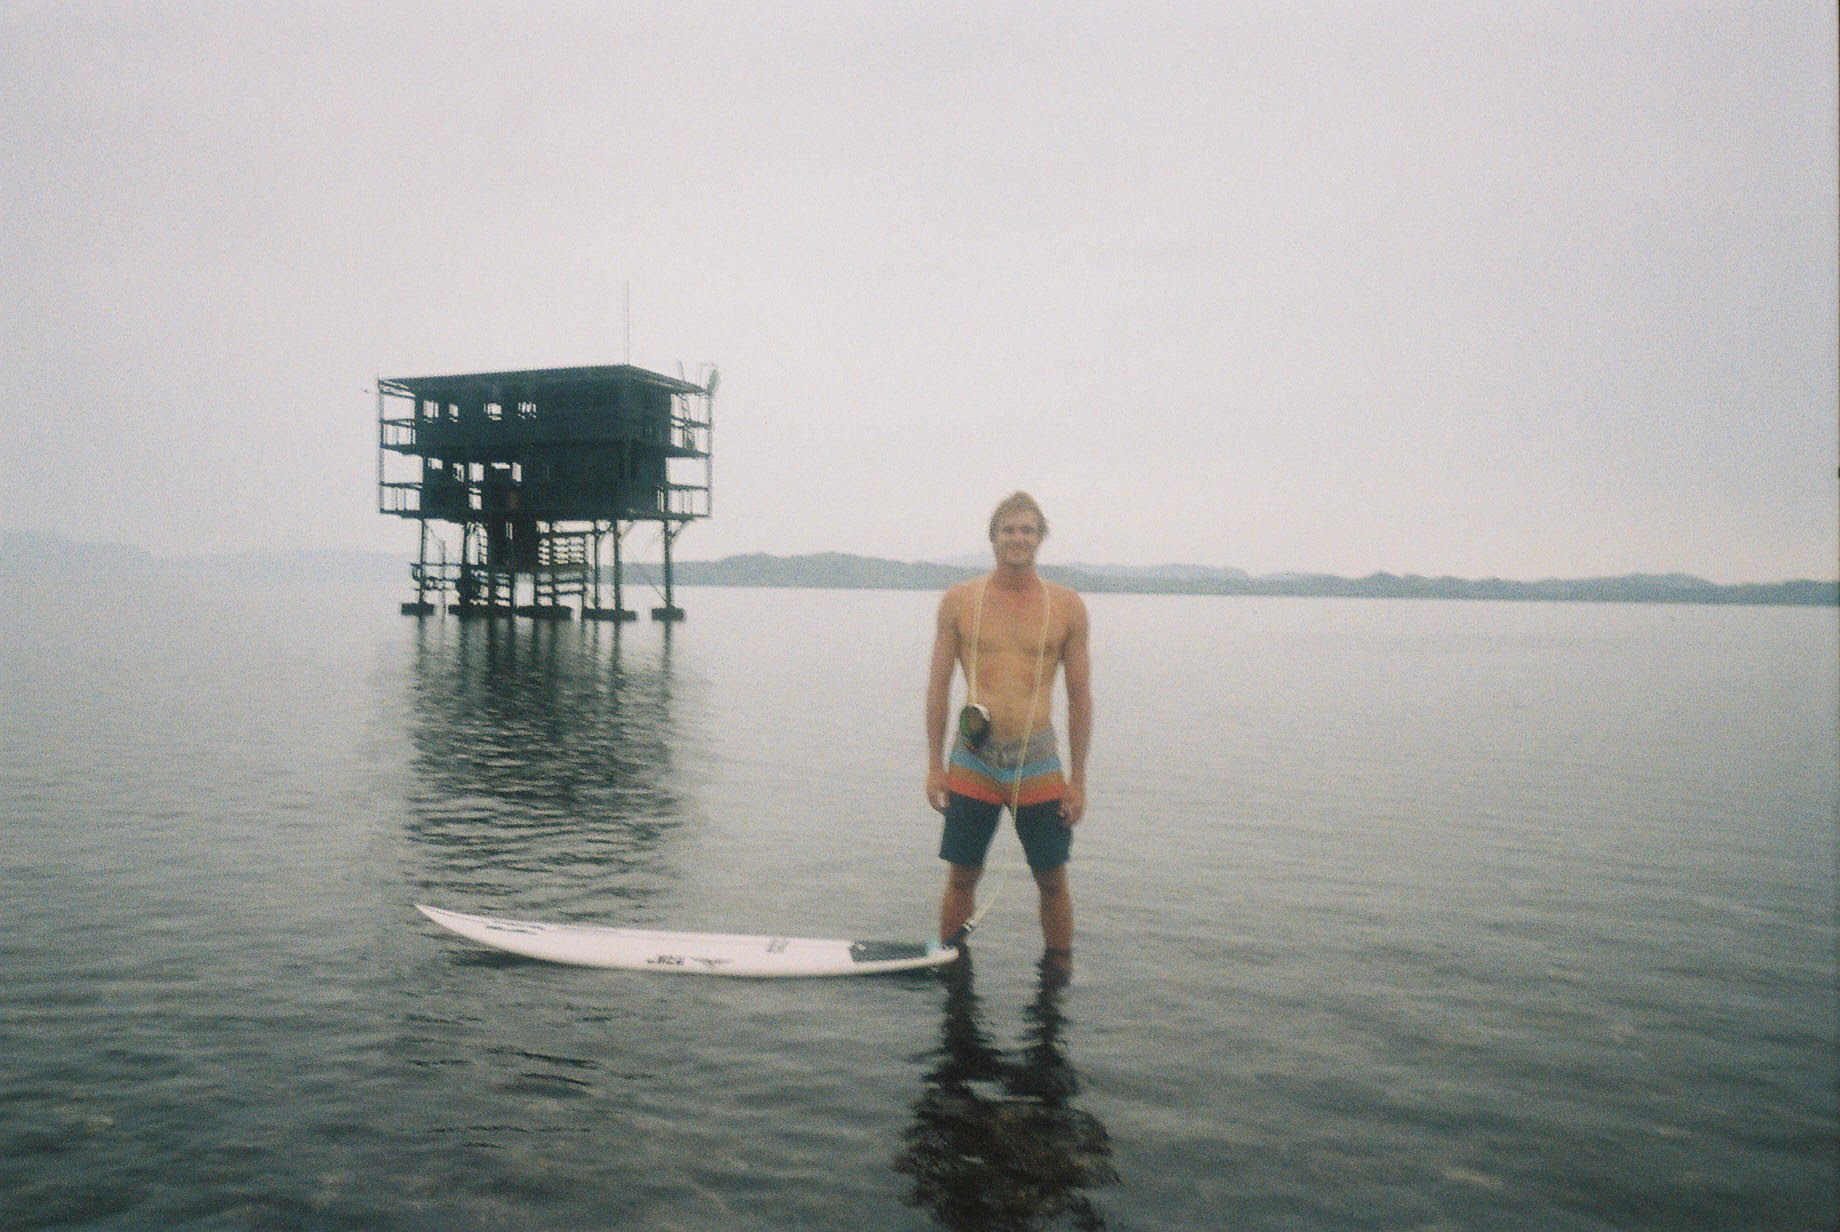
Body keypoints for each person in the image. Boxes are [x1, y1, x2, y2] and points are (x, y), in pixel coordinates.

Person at [926, 491, 1092, 972]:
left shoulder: (1066, 606)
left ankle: (1058, 977)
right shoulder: (960, 601)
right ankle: (950, 970)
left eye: (1027, 530)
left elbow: (1080, 696)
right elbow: (938, 687)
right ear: (993, 537)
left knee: (1052, 878)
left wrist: (1077, 780)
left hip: (1037, 760)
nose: (1017, 538)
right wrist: (935, 766)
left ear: (1040, 538)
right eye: (1008, 530)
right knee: (962, 876)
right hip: (974, 757)